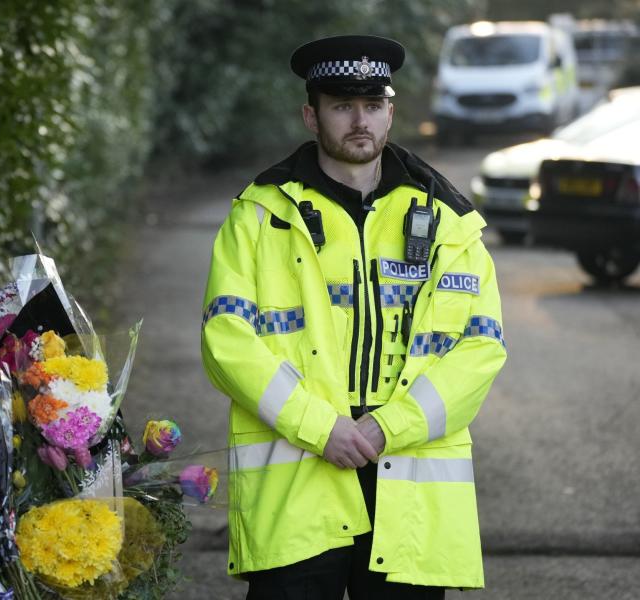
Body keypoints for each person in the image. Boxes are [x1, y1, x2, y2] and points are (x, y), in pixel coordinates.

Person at [200, 34, 507, 599]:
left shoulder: (449, 221)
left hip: (408, 474)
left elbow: (480, 347)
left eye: (373, 104)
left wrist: (389, 427)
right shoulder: (258, 215)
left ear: (391, 112)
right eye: (342, 106)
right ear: (311, 115)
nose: (359, 120)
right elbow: (226, 340)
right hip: (300, 475)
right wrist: (323, 429)